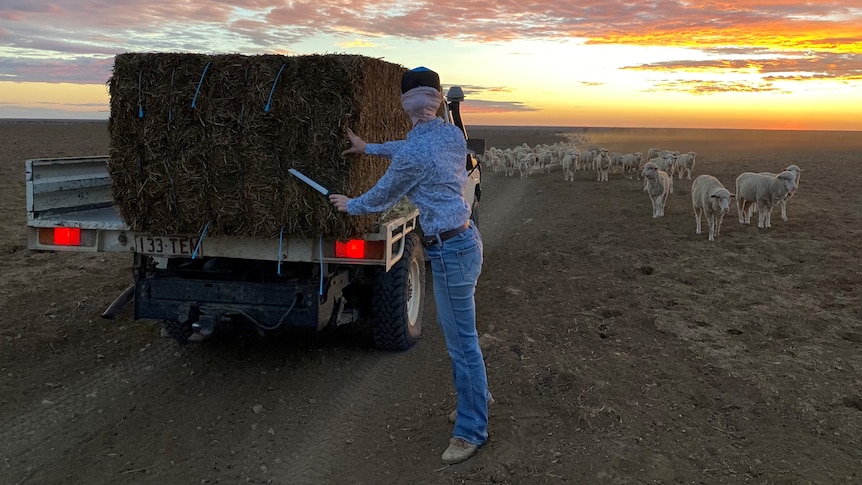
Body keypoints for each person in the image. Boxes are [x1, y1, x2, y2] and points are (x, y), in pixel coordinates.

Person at [328, 66, 490, 465]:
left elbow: (382, 195)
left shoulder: (416, 153)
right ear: (437, 101)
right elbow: (411, 147)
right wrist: (369, 148)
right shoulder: (451, 135)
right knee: (464, 335)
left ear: (404, 103)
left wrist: (351, 204)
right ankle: (477, 396)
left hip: (449, 252)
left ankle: (472, 429)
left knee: (461, 343)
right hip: (467, 241)